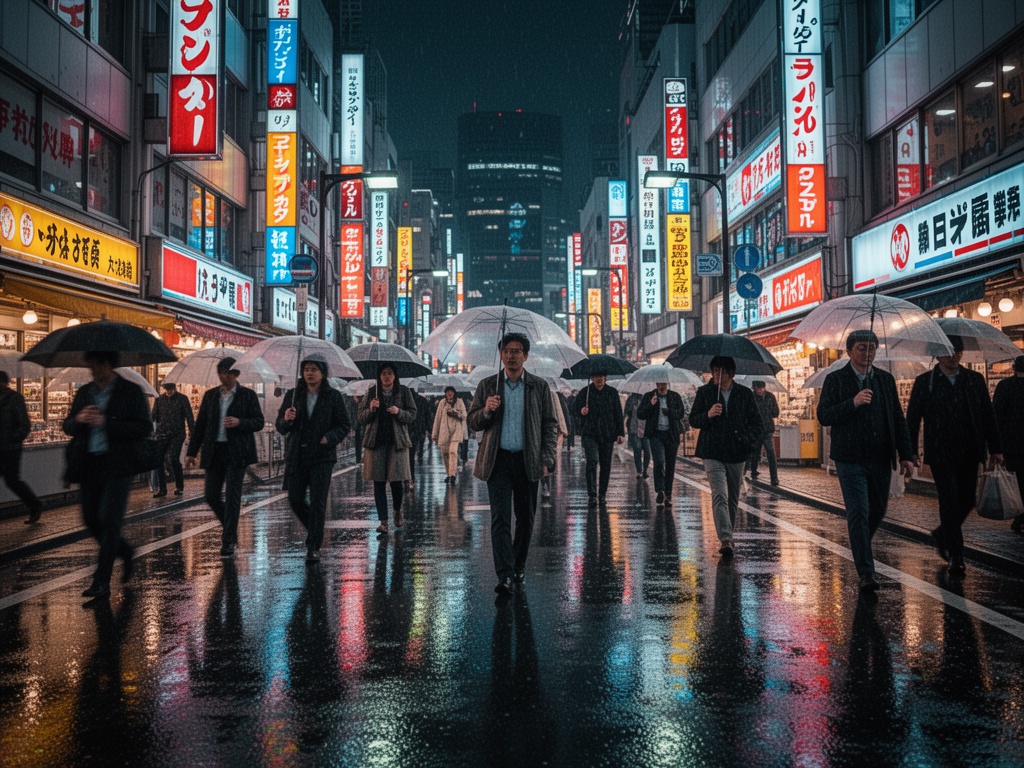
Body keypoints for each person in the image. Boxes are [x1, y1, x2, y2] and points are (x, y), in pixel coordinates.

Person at [817, 330, 915, 592]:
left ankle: (860, 545)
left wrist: (906, 454)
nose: (868, 353)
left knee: (877, 510)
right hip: (849, 458)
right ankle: (866, 573)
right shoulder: (836, 379)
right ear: (849, 351)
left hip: (880, 457)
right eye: (862, 348)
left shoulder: (884, 380)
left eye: (872, 348)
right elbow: (824, 415)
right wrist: (853, 402)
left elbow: (897, 418)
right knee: (858, 511)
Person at [468, 332, 558, 596]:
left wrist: (547, 458)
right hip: (498, 460)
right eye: (507, 350)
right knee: (500, 519)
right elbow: (472, 421)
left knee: (526, 519)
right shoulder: (488, 386)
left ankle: (519, 565)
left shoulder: (539, 387)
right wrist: (486, 411)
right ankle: (505, 574)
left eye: (517, 351)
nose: (511, 355)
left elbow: (550, 425)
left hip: (528, 460)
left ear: (526, 356)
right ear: (501, 354)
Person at [906, 336, 1001, 573]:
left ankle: (942, 533)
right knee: (949, 498)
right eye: (948, 351)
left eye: (957, 351)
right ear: (938, 355)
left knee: (968, 499)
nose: (953, 356)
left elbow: (987, 416)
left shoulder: (974, 380)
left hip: (970, 449)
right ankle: (956, 554)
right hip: (941, 450)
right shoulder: (925, 382)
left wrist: (996, 448)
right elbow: (912, 419)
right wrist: (908, 453)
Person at [63, 352, 151, 599]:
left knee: (109, 520)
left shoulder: (130, 391)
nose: (91, 371)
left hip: (118, 465)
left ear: (107, 364)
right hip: (89, 464)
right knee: (90, 519)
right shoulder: (85, 392)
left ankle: (101, 581)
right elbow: (67, 425)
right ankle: (125, 551)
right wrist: (79, 419)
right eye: (89, 365)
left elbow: (144, 427)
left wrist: (106, 422)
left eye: (95, 364)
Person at [186, 357, 264, 558]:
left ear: (236, 374)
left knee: (232, 496)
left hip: (236, 452)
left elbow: (258, 422)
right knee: (211, 495)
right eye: (221, 372)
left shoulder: (247, 395)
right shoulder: (211, 396)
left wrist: (240, 422)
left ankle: (228, 539)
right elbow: (201, 424)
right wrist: (191, 452)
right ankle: (229, 527)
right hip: (215, 451)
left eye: (228, 372)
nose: (223, 376)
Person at [276, 356, 351, 562]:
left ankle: (313, 546)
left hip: (322, 456)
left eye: (314, 369)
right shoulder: (293, 396)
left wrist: (330, 437)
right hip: (297, 455)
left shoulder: (333, 396)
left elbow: (344, 424)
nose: (310, 373)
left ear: (323, 373)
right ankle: (315, 528)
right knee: (295, 499)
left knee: (318, 502)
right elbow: (281, 427)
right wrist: (286, 419)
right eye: (306, 369)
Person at [688, 356, 762, 558]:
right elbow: (694, 419)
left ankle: (727, 533)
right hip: (712, 451)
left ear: (731, 373)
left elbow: (756, 423)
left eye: (721, 371)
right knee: (719, 493)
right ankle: (726, 538)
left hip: (736, 452)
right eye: (714, 371)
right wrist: (709, 414)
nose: (716, 375)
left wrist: (747, 441)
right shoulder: (705, 393)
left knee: (732, 498)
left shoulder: (744, 394)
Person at [359, 363, 417, 534]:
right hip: (376, 442)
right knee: (378, 482)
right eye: (383, 373)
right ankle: (383, 521)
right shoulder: (372, 392)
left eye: (390, 373)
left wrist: (399, 412)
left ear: (395, 375)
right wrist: (370, 409)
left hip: (397, 442)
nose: (386, 376)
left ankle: (397, 511)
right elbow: (361, 417)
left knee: (396, 481)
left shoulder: (403, 391)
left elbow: (413, 414)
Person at [576, 372, 625, 505]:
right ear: (592, 378)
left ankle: (602, 494)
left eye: (601, 376)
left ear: (605, 378)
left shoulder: (612, 392)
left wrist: (621, 432)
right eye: (596, 376)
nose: (599, 379)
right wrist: (582, 411)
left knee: (605, 464)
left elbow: (618, 413)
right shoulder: (585, 392)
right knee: (591, 461)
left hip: (607, 434)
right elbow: (574, 408)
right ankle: (592, 495)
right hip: (590, 433)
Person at [0, 370, 43, 523]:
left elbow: (24, 424)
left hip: (11, 448)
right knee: (12, 480)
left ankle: (35, 505)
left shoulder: (15, 399)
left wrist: (14, 438)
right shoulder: (12, 398)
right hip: (6, 447)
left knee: (12, 480)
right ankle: (35, 505)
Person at [637, 376, 687, 505]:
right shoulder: (649, 396)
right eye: (659, 383)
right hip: (656, 435)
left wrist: (670, 412)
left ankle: (668, 495)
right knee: (659, 461)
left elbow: (681, 413)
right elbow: (640, 414)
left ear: (667, 383)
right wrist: (651, 404)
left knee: (670, 465)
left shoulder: (675, 396)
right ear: (656, 384)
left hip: (671, 435)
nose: (662, 386)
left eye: (664, 383)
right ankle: (660, 490)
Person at [993, 355, 1024, 534]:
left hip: (1011, 444)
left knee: (1016, 482)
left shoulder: (1005, 386)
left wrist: (996, 445)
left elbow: (996, 414)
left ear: (1014, 368)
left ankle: (1019, 516)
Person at [151, 381, 195, 498]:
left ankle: (179, 486)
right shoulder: (159, 400)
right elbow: (153, 416)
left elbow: (189, 417)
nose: (169, 391)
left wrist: (193, 433)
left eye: (171, 389)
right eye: (167, 389)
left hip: (177, 434)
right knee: (159, 460)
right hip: (162, 434)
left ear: (175, 388)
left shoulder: (182, 399)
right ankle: (162, 489)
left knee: (174, 458)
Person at [746, 380, 780, 485]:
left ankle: (774, 477)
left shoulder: (770, 397)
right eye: (756, 389)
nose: (759, 391)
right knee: (755, 453)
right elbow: (748, 413)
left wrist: (769, 412)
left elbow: (776, 412)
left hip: (768, 430)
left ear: (764, 388)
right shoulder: (751, 397)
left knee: (771, 453)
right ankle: (753, 472)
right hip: (755, 430)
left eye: (760, 388)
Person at [432, 385, 467, 484]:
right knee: (445, 453)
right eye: (447, 392)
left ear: (454, 393)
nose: (449, 394)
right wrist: (434, 433)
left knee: (453, 451)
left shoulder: (459, 402)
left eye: (451, 392)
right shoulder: (442, 403)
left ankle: (453, 474)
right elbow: (437, 418)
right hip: (444, 432)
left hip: (456, 431)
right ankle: (448, 473)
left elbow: (464, 415)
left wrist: (454, 413)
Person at [540, 386, 569, 500]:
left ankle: (545, 486)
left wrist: (562, 430)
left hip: (547, 432)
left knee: (545, 461)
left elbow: (559, 414)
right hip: (532, 432)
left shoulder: (552, 394)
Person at [624, 393, 650, 480]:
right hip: (634, 428)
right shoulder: (631, 399)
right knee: (637, 449)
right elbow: (626, 412)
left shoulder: (649, 398)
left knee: (647, 450)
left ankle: (645, 470)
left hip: (647, 429)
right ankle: (640, 471)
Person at [408, 388, 430, 489]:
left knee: (406, 456)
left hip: (406, 429)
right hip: (417, 430)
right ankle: (411, 478)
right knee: (411, 455)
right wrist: (428, 428)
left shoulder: (404, 400)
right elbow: (427, 416)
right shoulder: (422, 400)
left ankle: (407, 477)